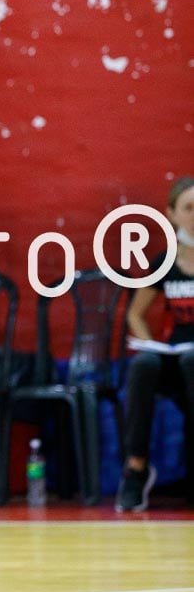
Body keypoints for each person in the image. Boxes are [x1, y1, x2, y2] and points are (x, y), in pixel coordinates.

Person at [116, 176, 194, 513]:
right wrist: (148, 344)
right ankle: (136, 469)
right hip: (173, 359)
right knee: (143, 365)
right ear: (172, 214)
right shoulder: (164, 261)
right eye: (189, 208)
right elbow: (135, 314)